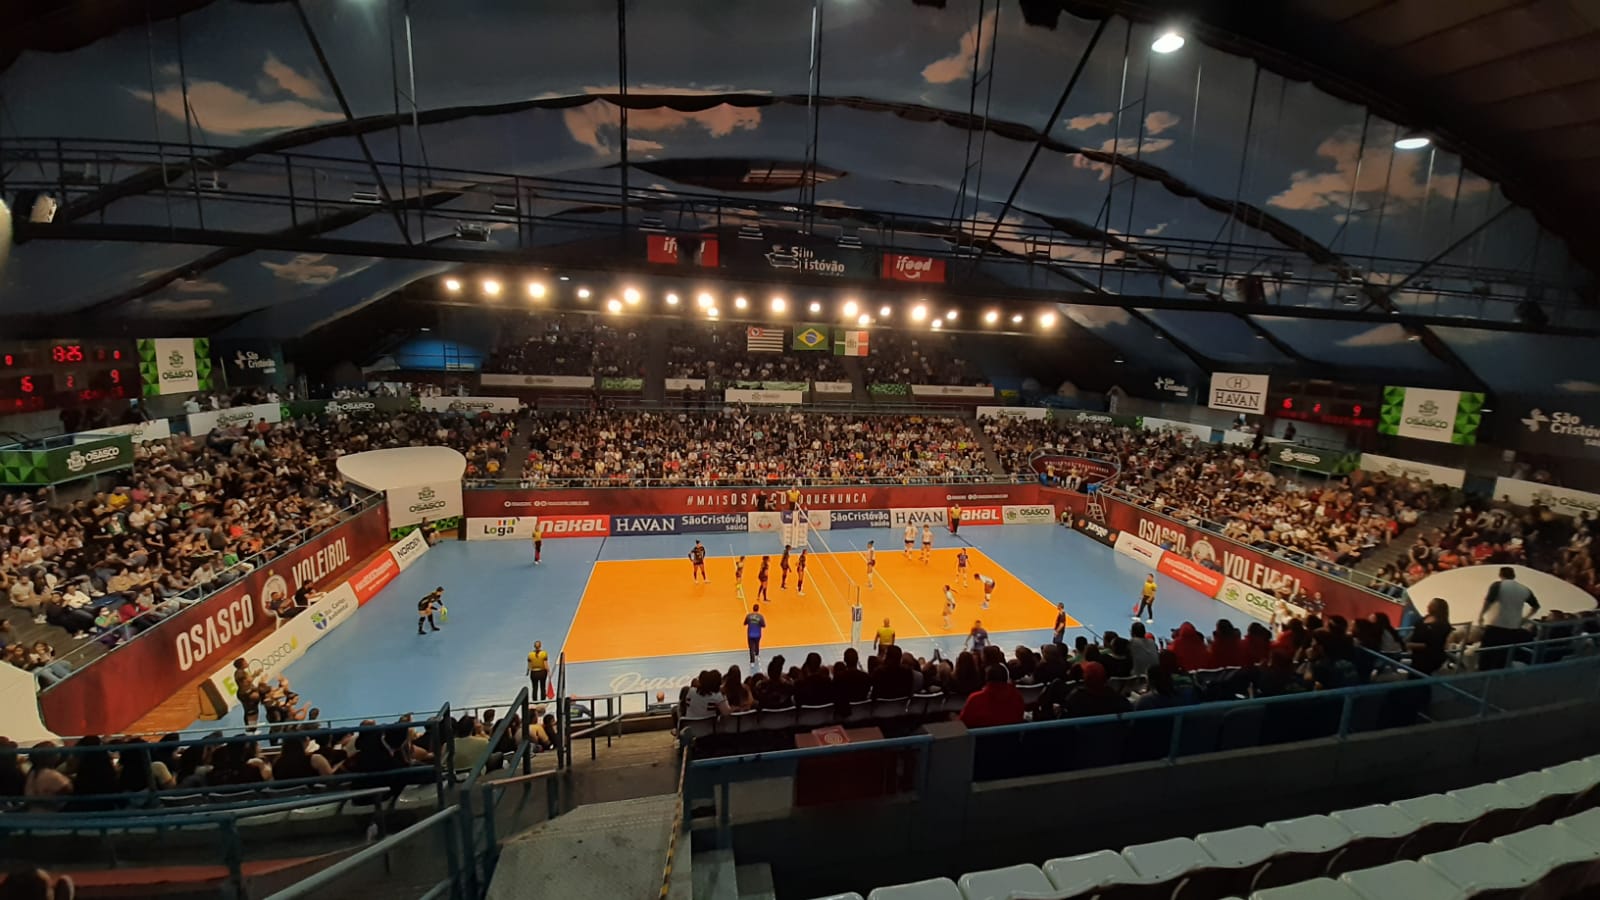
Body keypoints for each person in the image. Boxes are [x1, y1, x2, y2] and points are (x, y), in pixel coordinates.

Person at [1477, 568, 1539, 670]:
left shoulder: (1497, 585)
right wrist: (1524, 618)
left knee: (1486, 655)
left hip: (1495, 624)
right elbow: (1535, 606)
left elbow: (1488, 602)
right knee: (1503, 656)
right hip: (1512, 627)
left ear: (1500, 575)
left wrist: (1481, 615)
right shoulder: (1524, 589)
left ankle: (1482, 677)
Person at [959, 664, 1024, 728]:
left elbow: (964, 723)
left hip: (981, 737)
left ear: (986, 679)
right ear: (1006, 679)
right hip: (1011, 737)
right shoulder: (1016, 696)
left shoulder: (975, 699)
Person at [1407, 597, 1453, 675]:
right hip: (1417, 655)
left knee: (1419, 677)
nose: (1428, 606)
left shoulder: (1442, 625)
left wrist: (1410, 645)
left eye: (1431, 605)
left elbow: (1432, 644)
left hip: (1429, 657)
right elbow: (1416, 629)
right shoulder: (1426, 618)